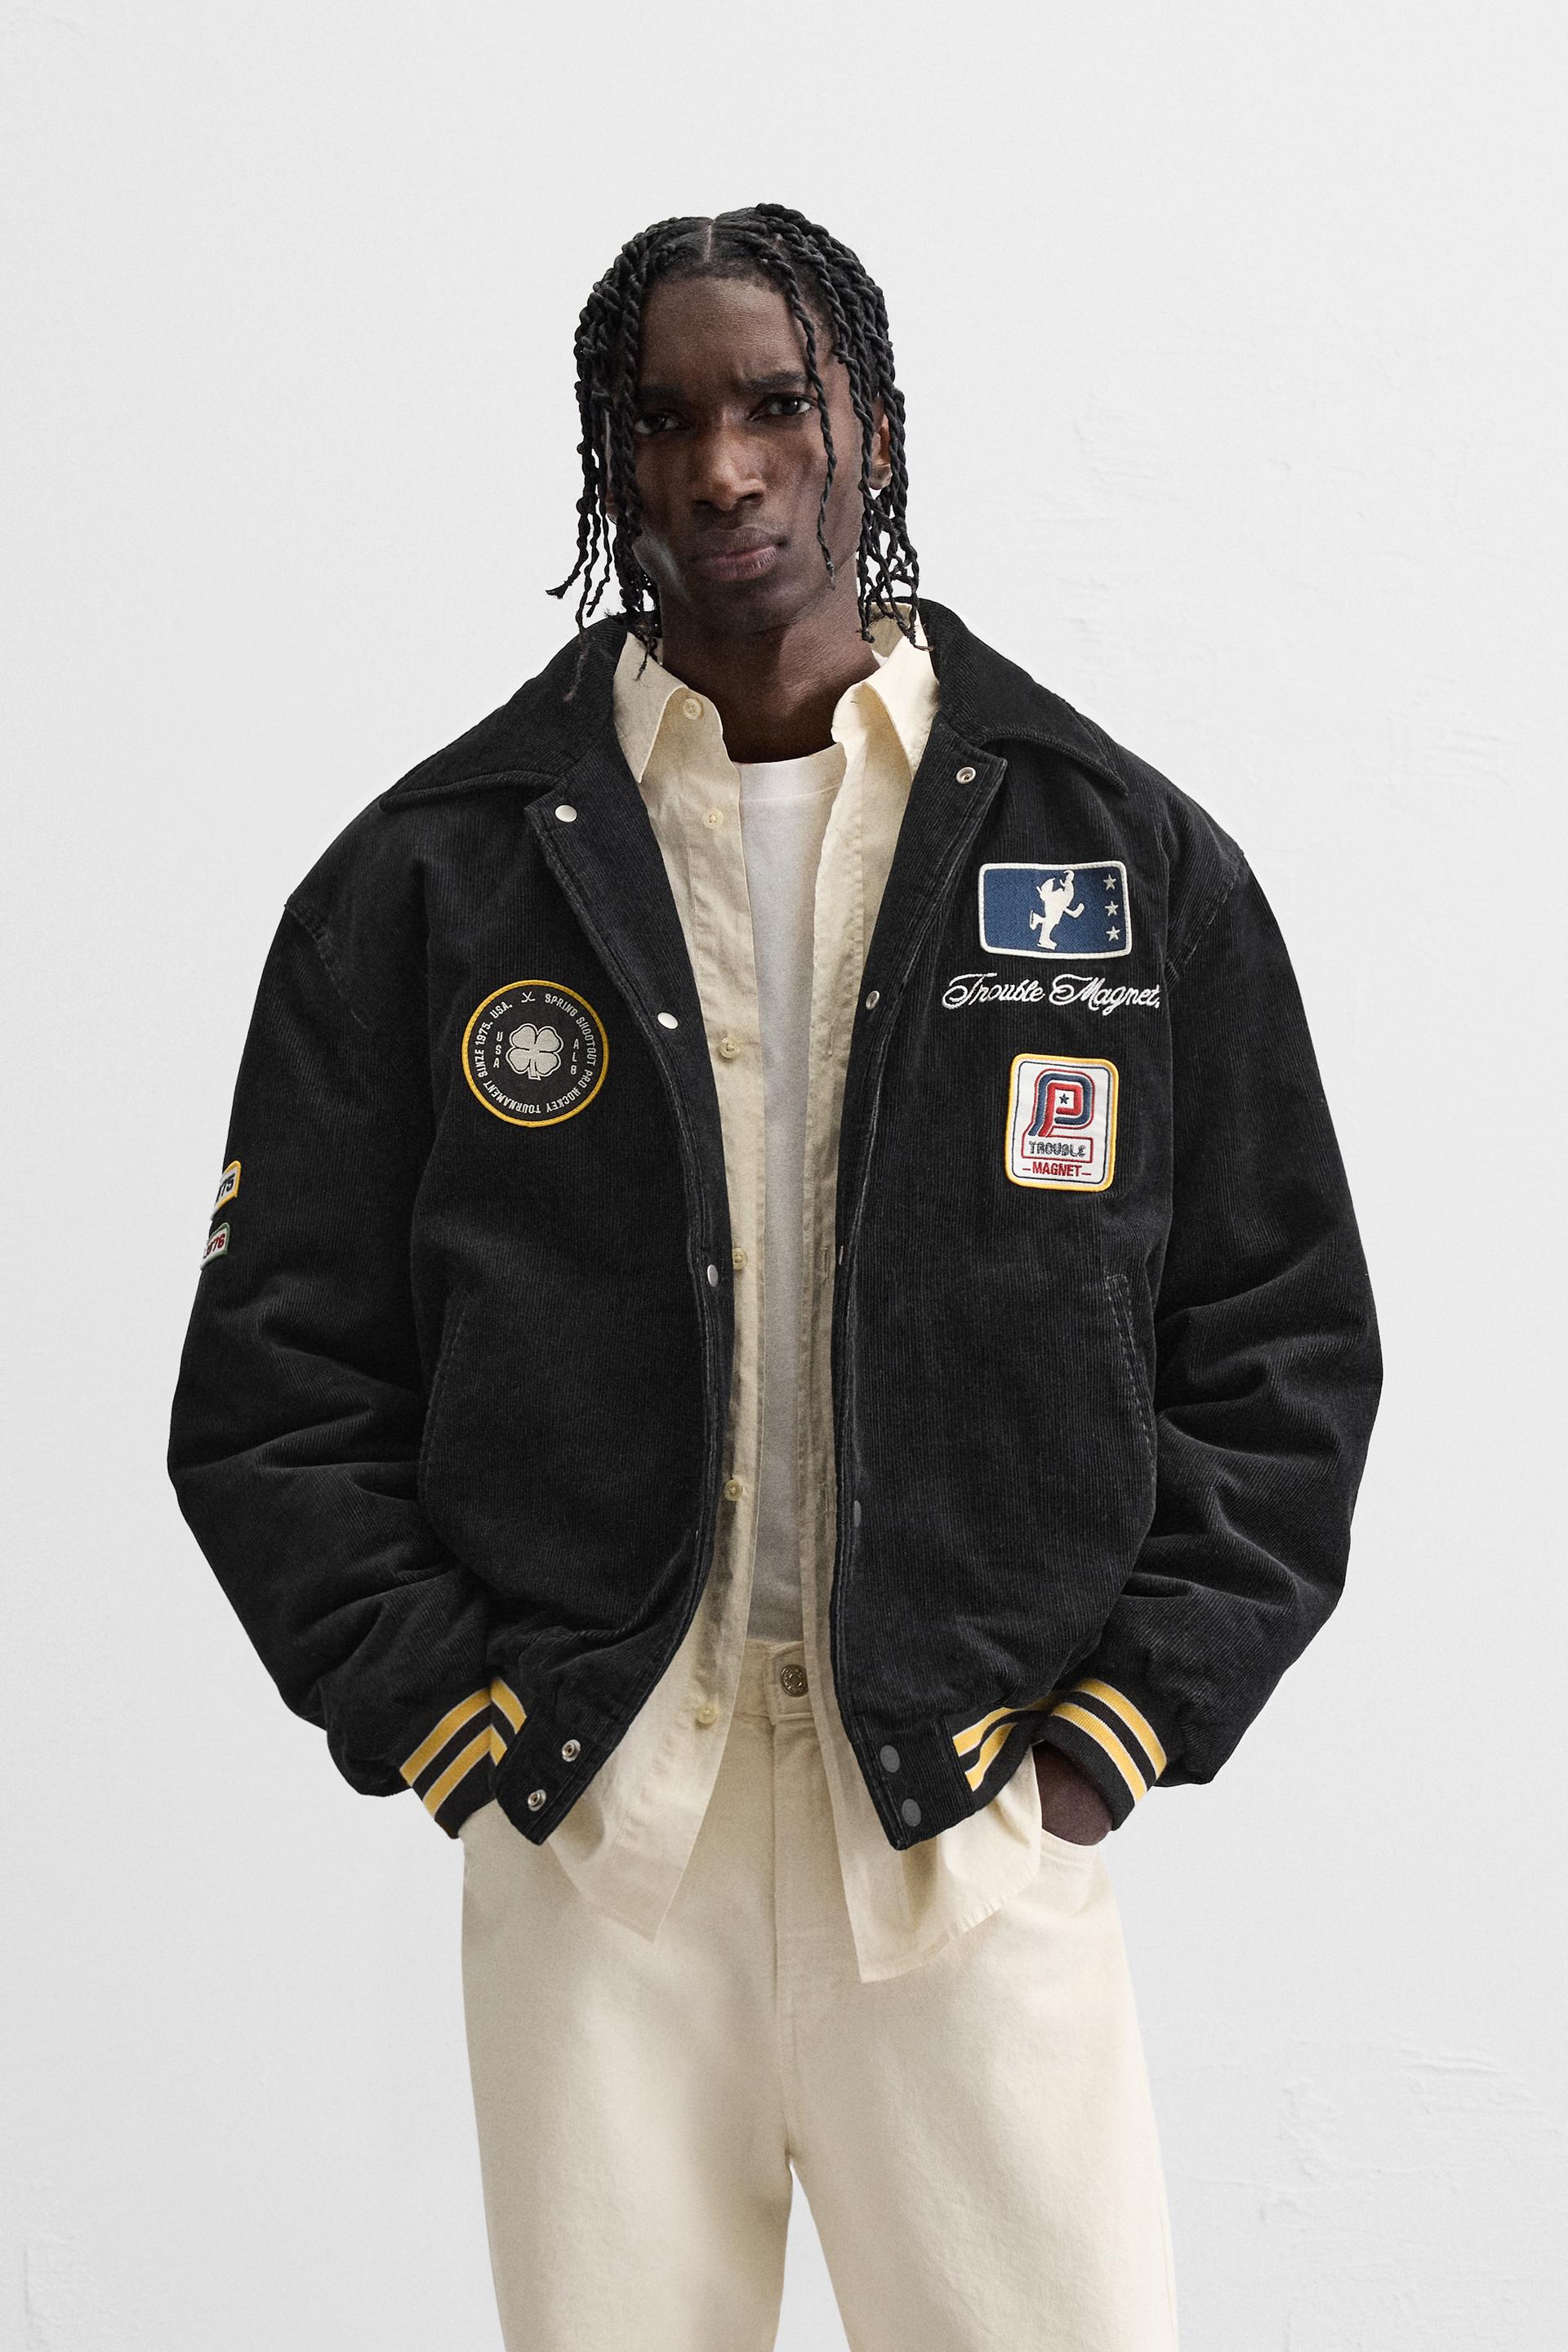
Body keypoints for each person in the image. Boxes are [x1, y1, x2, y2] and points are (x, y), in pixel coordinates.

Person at [167, 203, 1382, 2352]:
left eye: (774, 406)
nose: (720, 467)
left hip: (967, 1827)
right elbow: (273, 1385)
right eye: (663, 420)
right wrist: (453, 1721)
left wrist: (1105, 1743)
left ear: (871, 429)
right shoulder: (433, 878)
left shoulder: (1114, 857)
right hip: (598, 1845)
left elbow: (1281, 1346)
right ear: (608, 460)